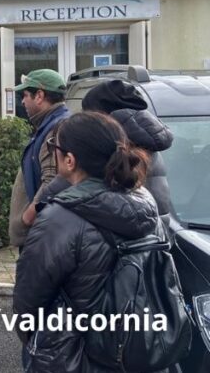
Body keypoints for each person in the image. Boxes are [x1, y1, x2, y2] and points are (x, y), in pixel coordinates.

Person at [14, 112, 161, 372]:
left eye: (53, 147)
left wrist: (38, 342)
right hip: (137, 346)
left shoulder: (58, 220)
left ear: (69, 160)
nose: (53, 152)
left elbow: (29, 301)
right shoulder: (146, 204)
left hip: (74, 355)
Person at [82, 79, 174, 215]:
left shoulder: (119, 149)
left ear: (103, 117)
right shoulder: (144, 142)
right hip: (154, 228)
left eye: (88, 115)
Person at [8, 69, 71, 248]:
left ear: (39, 96)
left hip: (41, 238)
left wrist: (28, 217)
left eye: (25, 95)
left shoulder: (56, 129)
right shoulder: (50, 125)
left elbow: (53, 180)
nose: (22, 101)